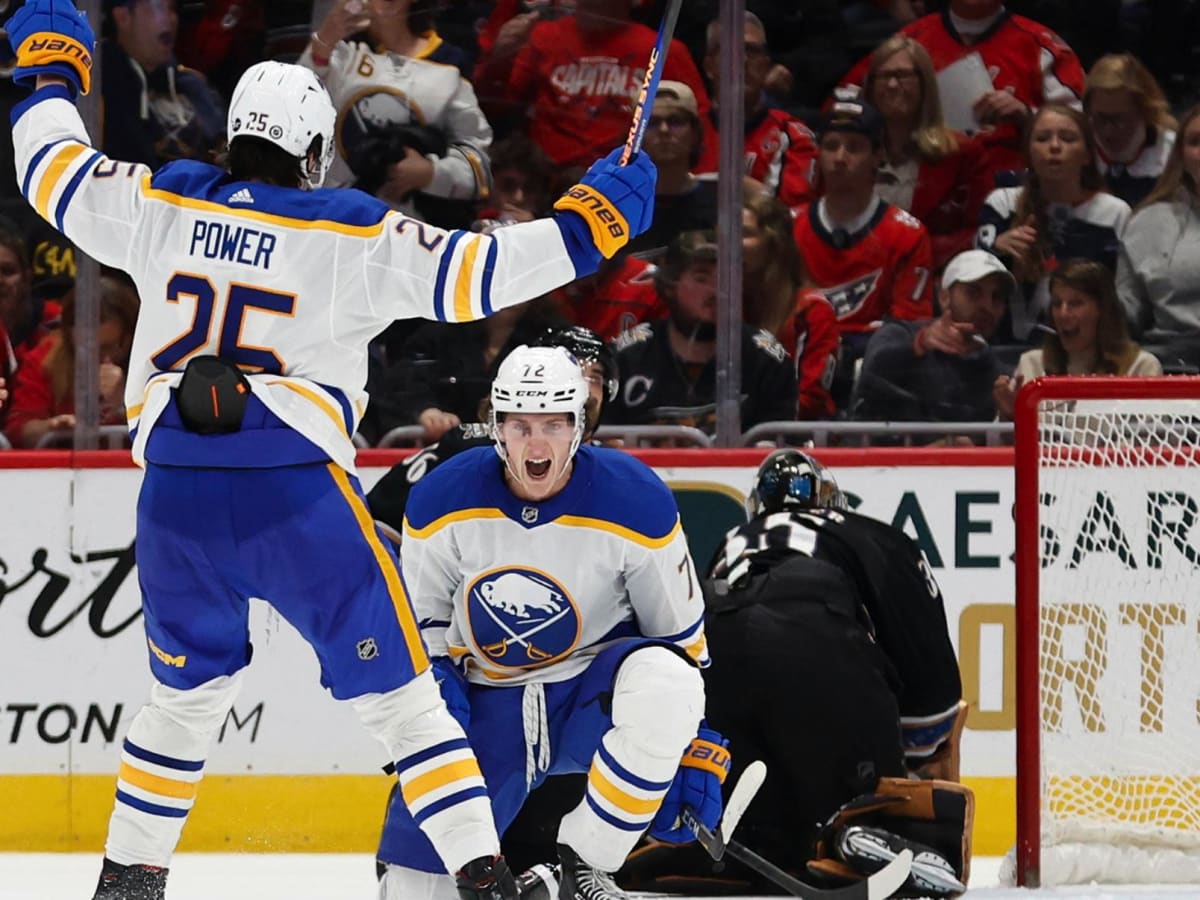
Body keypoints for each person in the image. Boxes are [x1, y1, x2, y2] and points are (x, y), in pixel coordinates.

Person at [4, 2, 654, 895]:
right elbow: (481, 276)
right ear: (315, 154)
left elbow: (50, 172)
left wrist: (49, 78)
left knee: (185, 698)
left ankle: (128, 879)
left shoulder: (162, 198)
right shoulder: (348, 228)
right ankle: (484, 875)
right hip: (295, 496)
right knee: (403, 698)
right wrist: (589, 227)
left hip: (175, 498)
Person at [375, 343, 726, 900]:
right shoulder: (441, 499)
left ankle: (583, 864)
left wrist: (688, 741)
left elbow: (677, 645)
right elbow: (423, 634)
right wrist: (434, 712)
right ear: (495, 426)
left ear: (580, 426)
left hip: (587, 697)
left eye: (555, 424)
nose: (536, 443)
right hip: (486, 699)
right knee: (416, 888)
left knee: (668, 682)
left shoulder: (637, 501)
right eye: (519, 425)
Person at [621, 450, 970, 896]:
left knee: (762, 816)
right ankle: (859, 828)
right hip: (814, 635)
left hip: (716, 647)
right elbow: (928, 676)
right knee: (870, 804)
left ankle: (720, 845)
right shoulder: (869, 534)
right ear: (831, 501)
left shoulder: (732, 541)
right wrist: (920, 744)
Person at [366, 323, 620, 543]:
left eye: (594, 378)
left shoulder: (611, 470)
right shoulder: (467, 451)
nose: (585, 389)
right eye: (573, 374)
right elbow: (375, 519)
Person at [834, 0, 1086, 185]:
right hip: (922, 188)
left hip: (1015, 190)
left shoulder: (1040, 45)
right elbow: (843, 104)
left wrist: (1027, 115)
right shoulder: (909, 43)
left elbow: (1083, 125)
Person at [300, 0, 492, 228]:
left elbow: (479, 166)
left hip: (408, 233)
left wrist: (431, 174)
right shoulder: (339, 51)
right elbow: (294, 116)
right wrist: (323, 42)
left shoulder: (450, 66)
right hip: (330, 219)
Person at [791, 95, 933, 402]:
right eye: (831, 146)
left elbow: (908, 329)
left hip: (872, 373)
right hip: (800, 362)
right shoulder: (790, 227)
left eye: (854, 147)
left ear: (877, 155)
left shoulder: (907, 234)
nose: (840, 157)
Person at [473, 0, 713, 170]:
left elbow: (699, 123)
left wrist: (695, 185)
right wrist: (499, 58)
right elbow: (495, 106)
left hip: (626, 179)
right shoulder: (543, 38)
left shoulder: (664, 50)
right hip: (549, 182)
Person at [605, 229, 798, 437]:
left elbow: (779, 445)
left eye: (726, 278)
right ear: (670, 284)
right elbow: (606, 444)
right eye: (701, 278)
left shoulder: (766, 360)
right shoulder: (627, 358)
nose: (717, 291)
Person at [976, 104, 1130, 343]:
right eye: (1042, 138)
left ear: (1088, 155)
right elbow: (971, 284)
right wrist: (995, 254)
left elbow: (1122, 297)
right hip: (1003, 346)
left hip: (1085, 349)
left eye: (1068, 139)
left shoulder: (1114, 214)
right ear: (1028, 152)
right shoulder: (1003, 203)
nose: (1055, 146)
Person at [851, 249, 1013, 442]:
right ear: (944, 297)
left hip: (959, 470)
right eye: (973, 292)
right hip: (880, 464)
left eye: (997, 297)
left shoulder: (997, 372)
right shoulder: (900, 333)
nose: (987, 306)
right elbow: (871, 372)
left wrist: (1009, 419)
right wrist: (918, 345)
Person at [861, 35, 992, 269]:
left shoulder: (963, 154)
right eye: (883, 76)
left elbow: (982, 230)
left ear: (925, 85)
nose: (892, 85)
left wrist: (916, 253)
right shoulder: (850, 151)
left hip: (936, 276)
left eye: (902, 75)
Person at [994, 258, 1162, 420]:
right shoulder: (1032, 364)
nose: (1063, 314)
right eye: (1057, 304)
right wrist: (1010, 417)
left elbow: (1153, 442)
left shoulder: (1141, 367)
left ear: (1103, 310)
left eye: (1075, 303)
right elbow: (998, 444)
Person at [694, 12, 818, 209]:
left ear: (766, 65)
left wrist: (745, 190)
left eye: (752, 51)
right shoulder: (687, 131)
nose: (742, 60)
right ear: (709, 66)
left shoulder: (794, 137)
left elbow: (793, 219)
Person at [3, 275, 139, 449]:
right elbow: (18, 430)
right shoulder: (45, 360)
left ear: (129, 336)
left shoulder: (152, 362)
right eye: (87, 348)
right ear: (68, 334)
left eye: (107, 347)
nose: (99, 358)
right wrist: (50, 427)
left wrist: (125, 402)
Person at [742, 191, 839, 421]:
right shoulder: (721, 306)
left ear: (775, 243)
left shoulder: (812, 311)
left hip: (795, 440)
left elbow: (809, 400)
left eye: (744, 234)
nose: (728, 245)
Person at [1116, 105, 1200, 363]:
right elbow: (1127, 316)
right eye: (1197, 142)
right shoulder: (1146, 222)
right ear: (1181, 156)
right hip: (1172, 367)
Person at [101, 0, 228, 170]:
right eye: (159, 7)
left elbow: (225, 147)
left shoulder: (193, 84)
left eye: (172, 9)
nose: (171, 19)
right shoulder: (100, 90)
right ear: (123, 17)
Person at [626, 81, 717, 257]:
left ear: (695, 133)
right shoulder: (612, 204)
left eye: (676, 121)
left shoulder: (719, 202)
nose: (664, 130)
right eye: (651, 122)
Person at [1084, 54, 1177, 210]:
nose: (1109, 131)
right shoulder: (1074, 149)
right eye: (1100, 118)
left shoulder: (1174, 154)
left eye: (1120, 119)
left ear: (1147, 112)